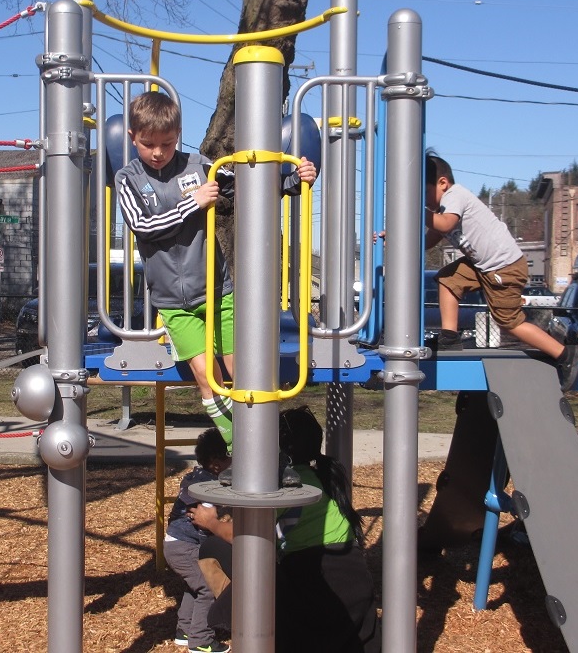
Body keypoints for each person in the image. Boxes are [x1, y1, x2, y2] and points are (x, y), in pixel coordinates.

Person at [116, 91, 317, 452]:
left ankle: (270, 449)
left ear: (178, 132)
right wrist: (190, 205)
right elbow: (144, 226)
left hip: (217, 292)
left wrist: (293, 182)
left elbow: (248, 187)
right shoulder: (127, 179)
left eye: (167, 142)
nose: (158, 152)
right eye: (148, 144)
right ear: (133, 137)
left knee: (244, 375)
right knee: (208, 377)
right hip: (174, 304)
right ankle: (242, 449)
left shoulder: (199, 167)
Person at [189, 406, 382, 653]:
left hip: (318, 588)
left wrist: (210, 522)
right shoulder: (321, 475)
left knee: (213, 547)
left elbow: (240, 534)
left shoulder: (287, 484)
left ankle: (245, 617)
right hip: (355, 581)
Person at [423, 153, 578, 391]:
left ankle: (564, 354)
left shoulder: (455, 196)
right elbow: (431, 237)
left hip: (503, 267)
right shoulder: (442, 209)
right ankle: (449, 337)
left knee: (508, 321)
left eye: (423, 192)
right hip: (481, 265)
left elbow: (443, 225)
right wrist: (392, 238)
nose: (423, 200)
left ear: (443, 183)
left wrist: (414, 210)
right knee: (448, 279)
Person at [164, 427, 232, 653]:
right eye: (227, 457)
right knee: (206, 587)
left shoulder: (198, 475)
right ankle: (201, 640)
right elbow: (204, 518)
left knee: (194, 586)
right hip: (184, 546)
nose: (231, 462)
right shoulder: (206, 484)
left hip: (176, 545)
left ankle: (184, 631)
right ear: (215, 461)